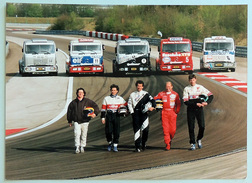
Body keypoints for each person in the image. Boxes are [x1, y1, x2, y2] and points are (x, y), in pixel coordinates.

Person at [183, 74, 213, 150]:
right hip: (191, 109)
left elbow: (211, 95)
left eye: (193, 80)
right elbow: (185, 101)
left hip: (199, 109)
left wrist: (207, 102)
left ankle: (199, 139)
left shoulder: (200, 87)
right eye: (190, 80)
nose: (192, 81)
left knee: (202, 126)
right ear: (189, 81)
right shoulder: (186, 89)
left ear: (195, 80)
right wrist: (195, 104)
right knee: (191, 127)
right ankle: (192, 143)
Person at [67, 88, 99, 154]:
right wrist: (69, 121)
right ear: (77, 93)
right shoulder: (73, 103)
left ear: (84, 93)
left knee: (84, 134)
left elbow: (96, 107)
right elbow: (69, 112)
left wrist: (95, 113)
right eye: (79, 92)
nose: (80, 93)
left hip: (85, 121)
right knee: (77, 134)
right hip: (76, 121)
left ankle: (82, 146)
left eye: (82, 92)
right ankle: (77, 147)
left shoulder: (88, 101)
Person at [128, 80, 156, 152]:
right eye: (138, 86)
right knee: (137, 131)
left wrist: (153, 107)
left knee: (145, 130)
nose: (139, 87)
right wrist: (132, 112)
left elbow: (152, 100)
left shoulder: (146, 94)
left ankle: (143, 143)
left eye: (140, 86)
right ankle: (137, 146)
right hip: (136, 114)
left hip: (144, 114)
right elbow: (129, 104)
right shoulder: (132, 94)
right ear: (136, 86)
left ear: (143, 86)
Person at [154, 82, 181, 151]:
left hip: (172, 112)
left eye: (169, 86)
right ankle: (167, 144)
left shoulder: (175, 94)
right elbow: (154, 98)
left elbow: (178, 103)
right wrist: (157, 103)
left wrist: (176, 112)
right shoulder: (161, 93)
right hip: (164, 112)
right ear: (165, 87)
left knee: (173, 130)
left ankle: (170, 139)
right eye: (167, 86)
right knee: (165, 130)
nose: (168, 88)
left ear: (172, 87)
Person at [101, 84, 127, 152]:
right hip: (109, 115)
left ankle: (115, 144)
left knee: (116, 131)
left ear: (117, 91)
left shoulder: (120, 98)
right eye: (112, 90)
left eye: (114, 90)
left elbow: (126, 104)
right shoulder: (106, 98)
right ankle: (110, 142)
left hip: (116, 115)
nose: (113, 91)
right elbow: (103, 109)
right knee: (108, 131)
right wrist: (103, 117)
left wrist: (125, 111)